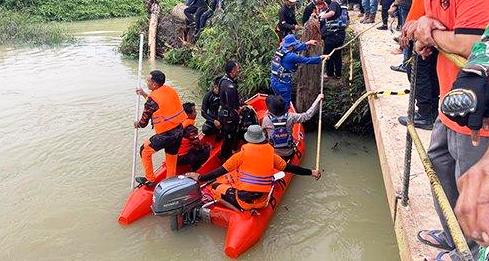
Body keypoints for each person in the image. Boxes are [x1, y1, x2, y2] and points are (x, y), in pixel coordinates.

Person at [409, 1, 489, 260]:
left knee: (474, 191)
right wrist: (424, 29)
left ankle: (470, 253)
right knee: (439, 167)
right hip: (448, 103)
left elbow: (470, 45)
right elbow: (410, 26)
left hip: (478, 121)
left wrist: (430, 36)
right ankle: (455, 236)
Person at [186, 125, 321, 211]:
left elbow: (220, 171)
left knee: (215, 186)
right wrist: (312, 172)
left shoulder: (241, 155)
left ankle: (238, 209)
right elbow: (290, 168)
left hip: (244, 202)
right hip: (263, 200)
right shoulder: (271, 153)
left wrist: (200, 177)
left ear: (248, 139)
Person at [134, 70, 187, 183]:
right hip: (179, 130)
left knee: (144, 150)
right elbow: (158, 104)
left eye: (148, 80)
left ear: (154, 84)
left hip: (166, 135)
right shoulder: (170, 90)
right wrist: (144, 94)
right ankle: (170, 181)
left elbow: (143, 123)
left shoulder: (153, 99)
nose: (146, 82)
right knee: (171, 157)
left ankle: (150, 179)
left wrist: (137, 124)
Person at [270, 34, 327, 108]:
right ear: (292, 45)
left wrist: (307, 43)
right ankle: (284, 116)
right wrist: (321, 58)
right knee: (286, 102)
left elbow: (295, 48)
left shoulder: (281, 49)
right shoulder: (292, 56)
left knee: (278, 100)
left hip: (274, 81)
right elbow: (306, 60)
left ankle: (276, 111)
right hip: (283, 84)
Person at [262, 94, 323, 161]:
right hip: (289, 153)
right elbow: (307, 115)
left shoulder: (266, 119)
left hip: (274, 153)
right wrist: (318, 99)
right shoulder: (291, 117)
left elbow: (264, 136)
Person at [218, 60, 242, 160]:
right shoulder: (230, 87)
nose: (239, 70)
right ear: (232, 71)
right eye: (237, 69)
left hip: (224, 113)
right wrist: (238, 113)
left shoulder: (223, 80)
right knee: (229, 137)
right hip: (229, 117)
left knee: (228, 136)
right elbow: (232, 106)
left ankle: (229, 152)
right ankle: (224, 157)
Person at [177, 102, 211, 171]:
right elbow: (197, 144)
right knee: (205, 151)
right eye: (194, 111)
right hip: (181, 158)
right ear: (188, 114)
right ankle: (195, 169)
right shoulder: (191, 129)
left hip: (173, 155)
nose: (196, 113)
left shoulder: (177, 123)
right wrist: (206, 147)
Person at [320, 0, 347, 78]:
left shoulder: (333, 4)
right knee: (337, 55)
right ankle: (338, 74)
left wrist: (321, 16)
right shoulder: (339, 5)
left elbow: (332, 13)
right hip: (340, 35)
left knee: (327, 55)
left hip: (333, 36)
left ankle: (329, 73)